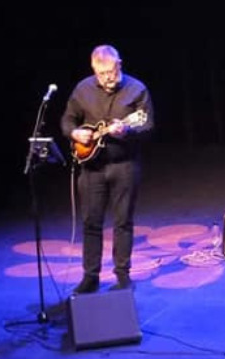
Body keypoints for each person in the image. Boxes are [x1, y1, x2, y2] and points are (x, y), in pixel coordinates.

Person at [60, 44, 155, 294]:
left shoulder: (137, 90)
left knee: (123, 222)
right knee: (91, 223)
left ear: (119, 65)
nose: (107, 78)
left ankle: (122, 276)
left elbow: (147, 126)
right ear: (94, 70)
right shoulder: (83, 89)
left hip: (124, 165)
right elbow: (68, 119)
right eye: (101, 74)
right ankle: (90, 276)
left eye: (111, 72)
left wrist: (127, 130)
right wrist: (74, 133)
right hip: (91, 168)